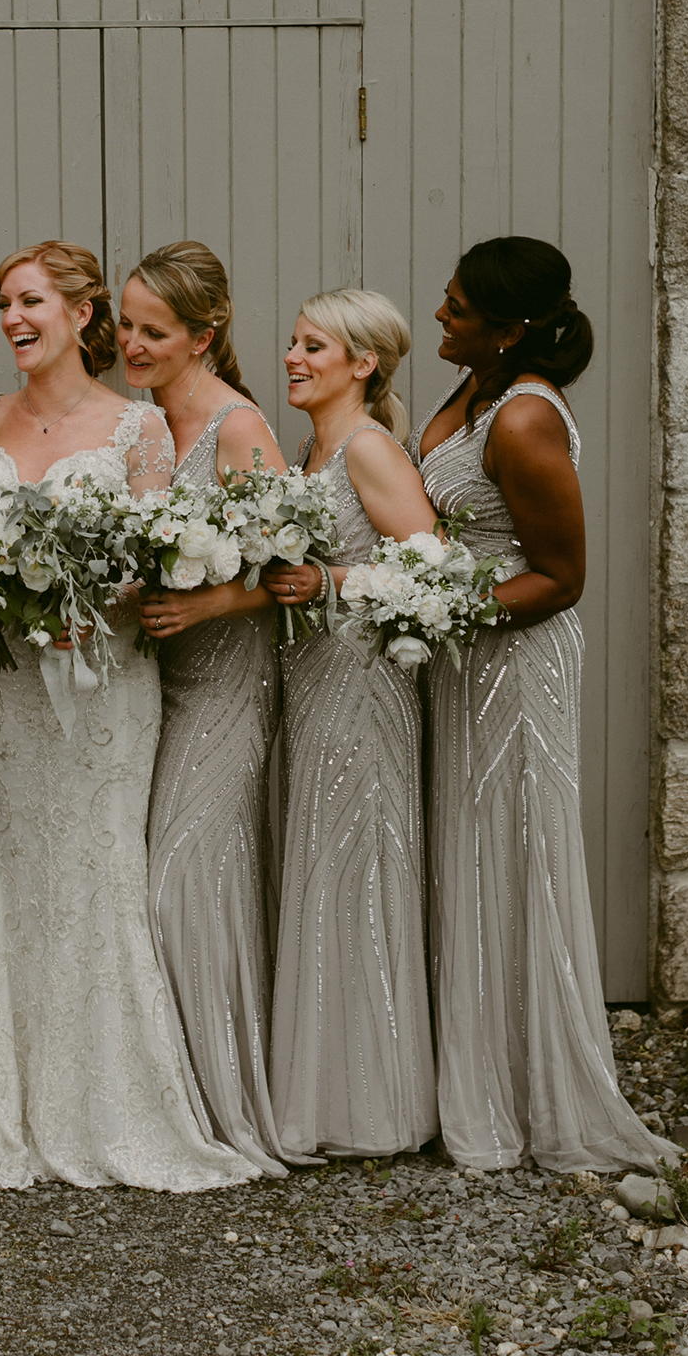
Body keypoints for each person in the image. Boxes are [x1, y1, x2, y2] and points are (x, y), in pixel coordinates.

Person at [0, 240, 258, 1191]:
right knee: (17, 862)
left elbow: (155, 558)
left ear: (82, 315)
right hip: (6, 687)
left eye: (31, 300)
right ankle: (7, 1095)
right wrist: (2, 592)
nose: (11, 319)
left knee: (101, 865)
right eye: (2, 302)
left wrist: (84, 601)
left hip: (107, 684)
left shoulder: (139, 427)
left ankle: (119, 1099)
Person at [412, 237, 675, 1172]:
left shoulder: (522, 420)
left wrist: (428, 604)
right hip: (458, 654)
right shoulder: (472, 386)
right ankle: (472, 1066)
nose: (440, 316)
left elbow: (561, 578)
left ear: (510, 327)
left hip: (515, 661)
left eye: (456, 307)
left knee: (516, 850)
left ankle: (531, 1087)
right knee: (469, 848)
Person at [119, 242, 286, 1175]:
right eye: (129, 325)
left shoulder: (236, 427)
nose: (131, 343)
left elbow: (290, 573)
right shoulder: (142, 424)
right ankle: (162, 1083)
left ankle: (224, 1098)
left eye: (154, 331)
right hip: (152, 684)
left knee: (186, 876)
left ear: (204, 336)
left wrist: (212, 600)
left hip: (225, 679)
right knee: (152, 873)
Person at [260, 289, 438, 1160]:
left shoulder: (366, 449)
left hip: (364, 683)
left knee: (359, 863)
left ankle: (371, 1102)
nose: (293, 357)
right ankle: (326, 1086)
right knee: (326, 860)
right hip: (314, 678)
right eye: (293, 342)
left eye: (314, 347)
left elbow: (432, 571)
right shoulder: (313, 448)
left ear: (363, 364)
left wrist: (328, 584)